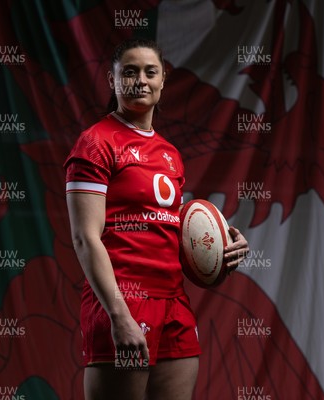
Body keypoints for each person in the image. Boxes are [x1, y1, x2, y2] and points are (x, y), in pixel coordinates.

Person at [64, 38, 249, 400]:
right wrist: (118, 315)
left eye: (150, 72)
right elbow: (85, 237)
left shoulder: (170, 154)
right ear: (112, 80)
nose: (140, 80)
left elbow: (169, 231)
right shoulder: (96, 143)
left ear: (164, 80)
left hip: (174, 302)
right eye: (129, 72)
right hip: (122, 300)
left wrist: (225, 245)